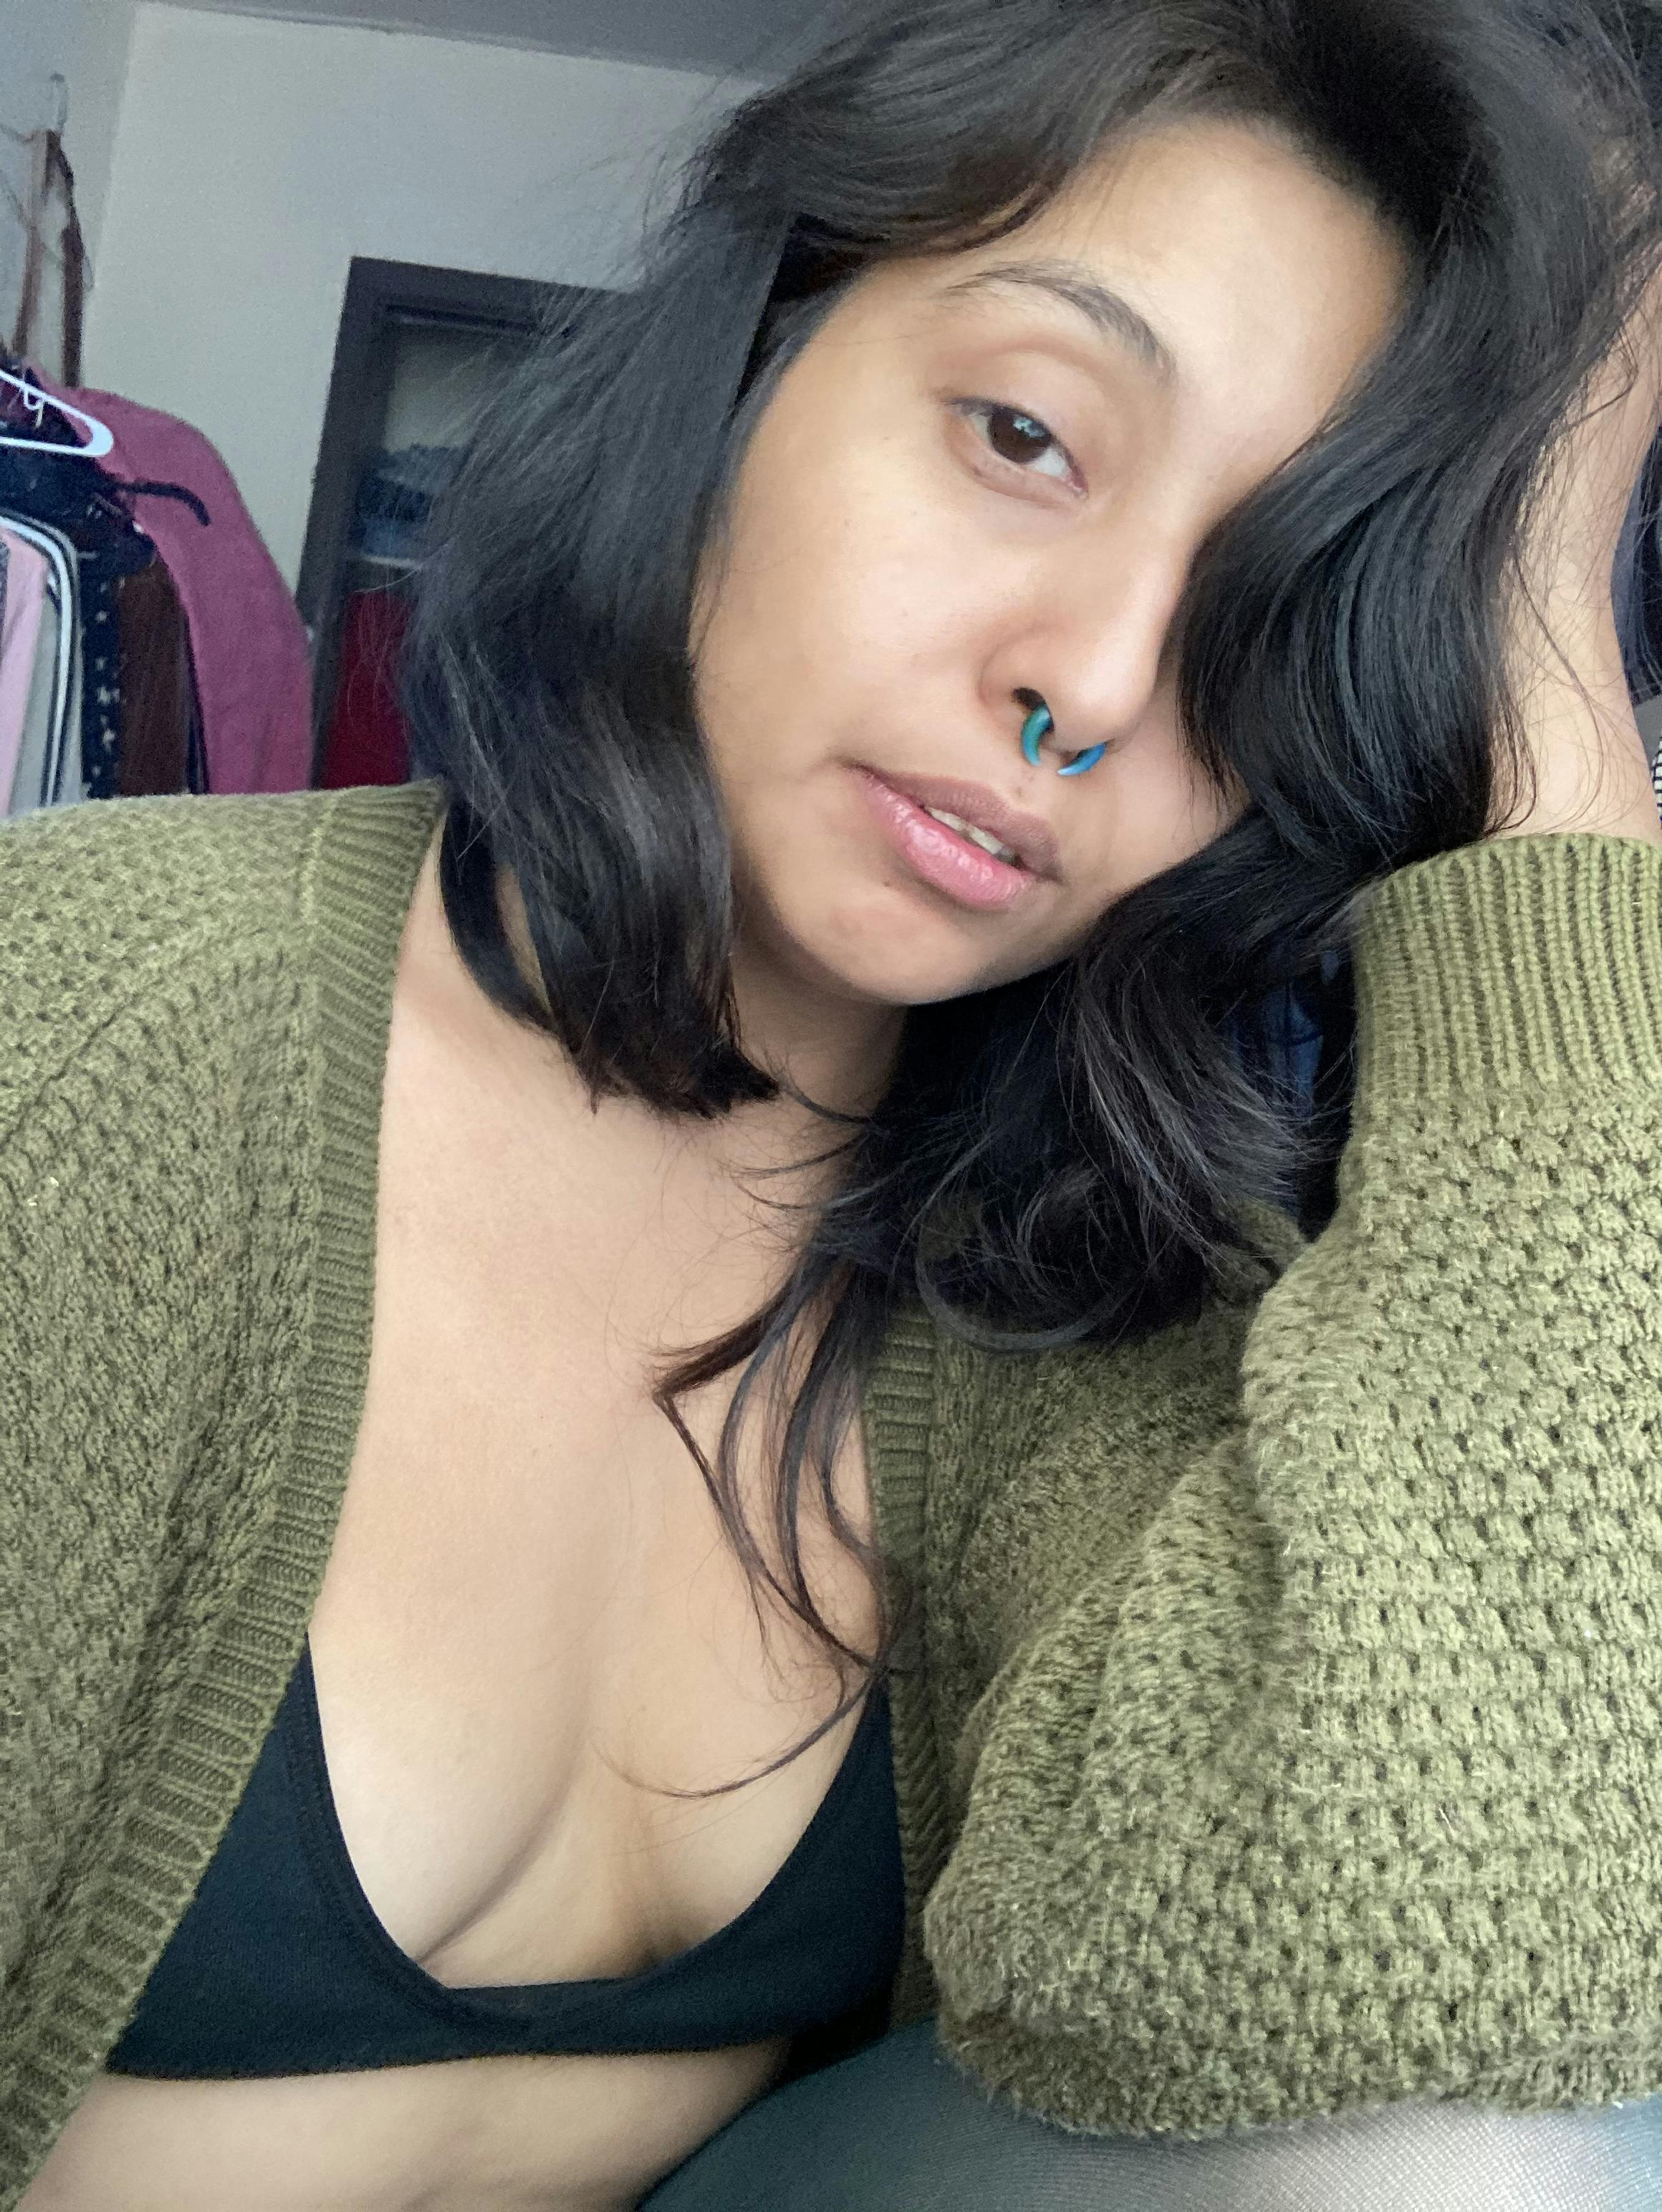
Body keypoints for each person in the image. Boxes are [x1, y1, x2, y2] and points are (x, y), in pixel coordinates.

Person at [8, 1, 1662, 2206]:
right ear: (755, 358)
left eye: (1264, 616)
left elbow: (1452, 1952)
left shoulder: (1089, 1292)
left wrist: (1548, 651)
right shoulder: (89, 1027)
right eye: (1025, 434)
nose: (1090, 684)